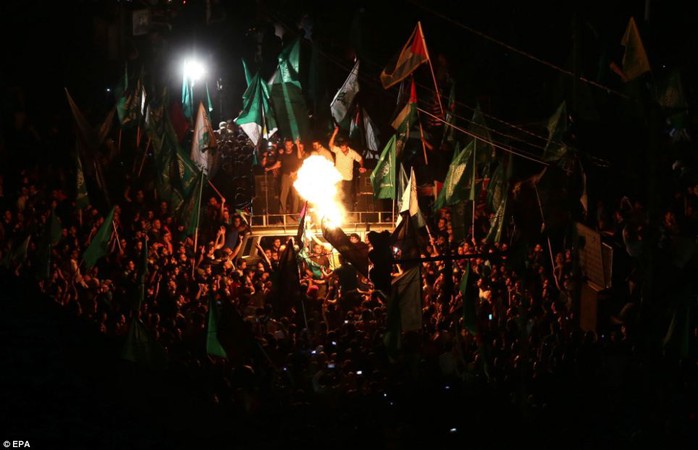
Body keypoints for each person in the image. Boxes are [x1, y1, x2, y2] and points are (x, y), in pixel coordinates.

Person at [329, 126, 365, 211]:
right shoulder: (338, 150)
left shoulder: (352, 153)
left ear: (347, 146)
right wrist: (334, 133)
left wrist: (361, 167)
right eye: (341, 147)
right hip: (338, 178)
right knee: (338, 195)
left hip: (348, 178)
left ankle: (349, 212)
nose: (342, 149)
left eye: (343, 147)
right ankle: (339, 212)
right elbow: (330, 145)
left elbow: (360, 159)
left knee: (347, 196)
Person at [265, 137, 303, 217]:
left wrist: (298, 145)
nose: (288, 147)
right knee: (283, 195)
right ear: (285, 145)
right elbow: (278, 164)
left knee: (295, 196)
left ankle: (294, 214)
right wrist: (269, 168)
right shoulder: (282, 154)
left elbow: (300, 158)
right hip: (285, 176)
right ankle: (283, 214)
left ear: (292, 145)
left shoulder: (296, 152)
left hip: (295, 176)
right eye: (287, 145)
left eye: (290, 145)